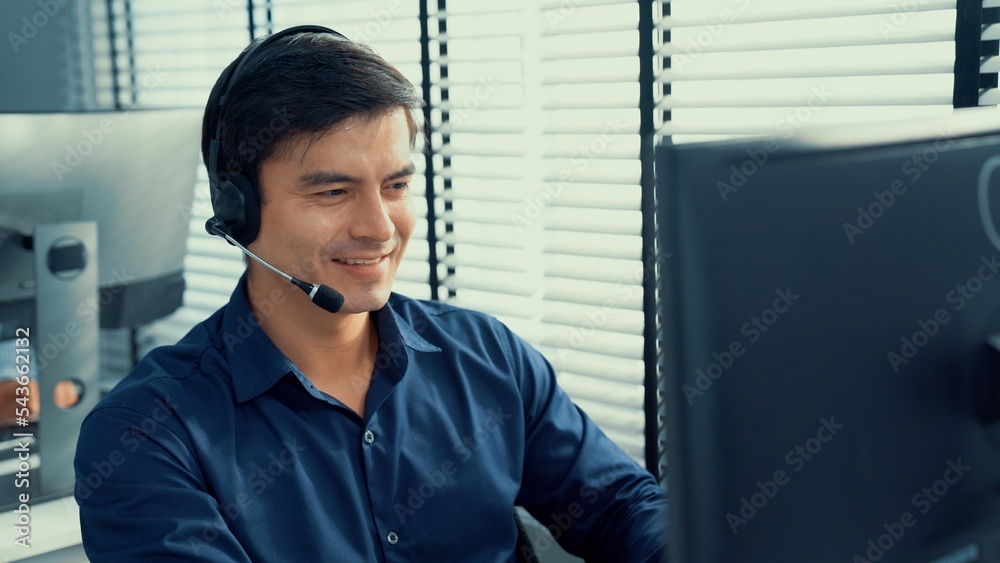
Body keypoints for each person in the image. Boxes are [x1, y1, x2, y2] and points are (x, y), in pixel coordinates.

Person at [73, 26, 668, 562]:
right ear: (238, 210)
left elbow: (620, 506)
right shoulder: (146, 436)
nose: (380, 229)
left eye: (395, 185)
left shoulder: (488, 356)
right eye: (333, 193)